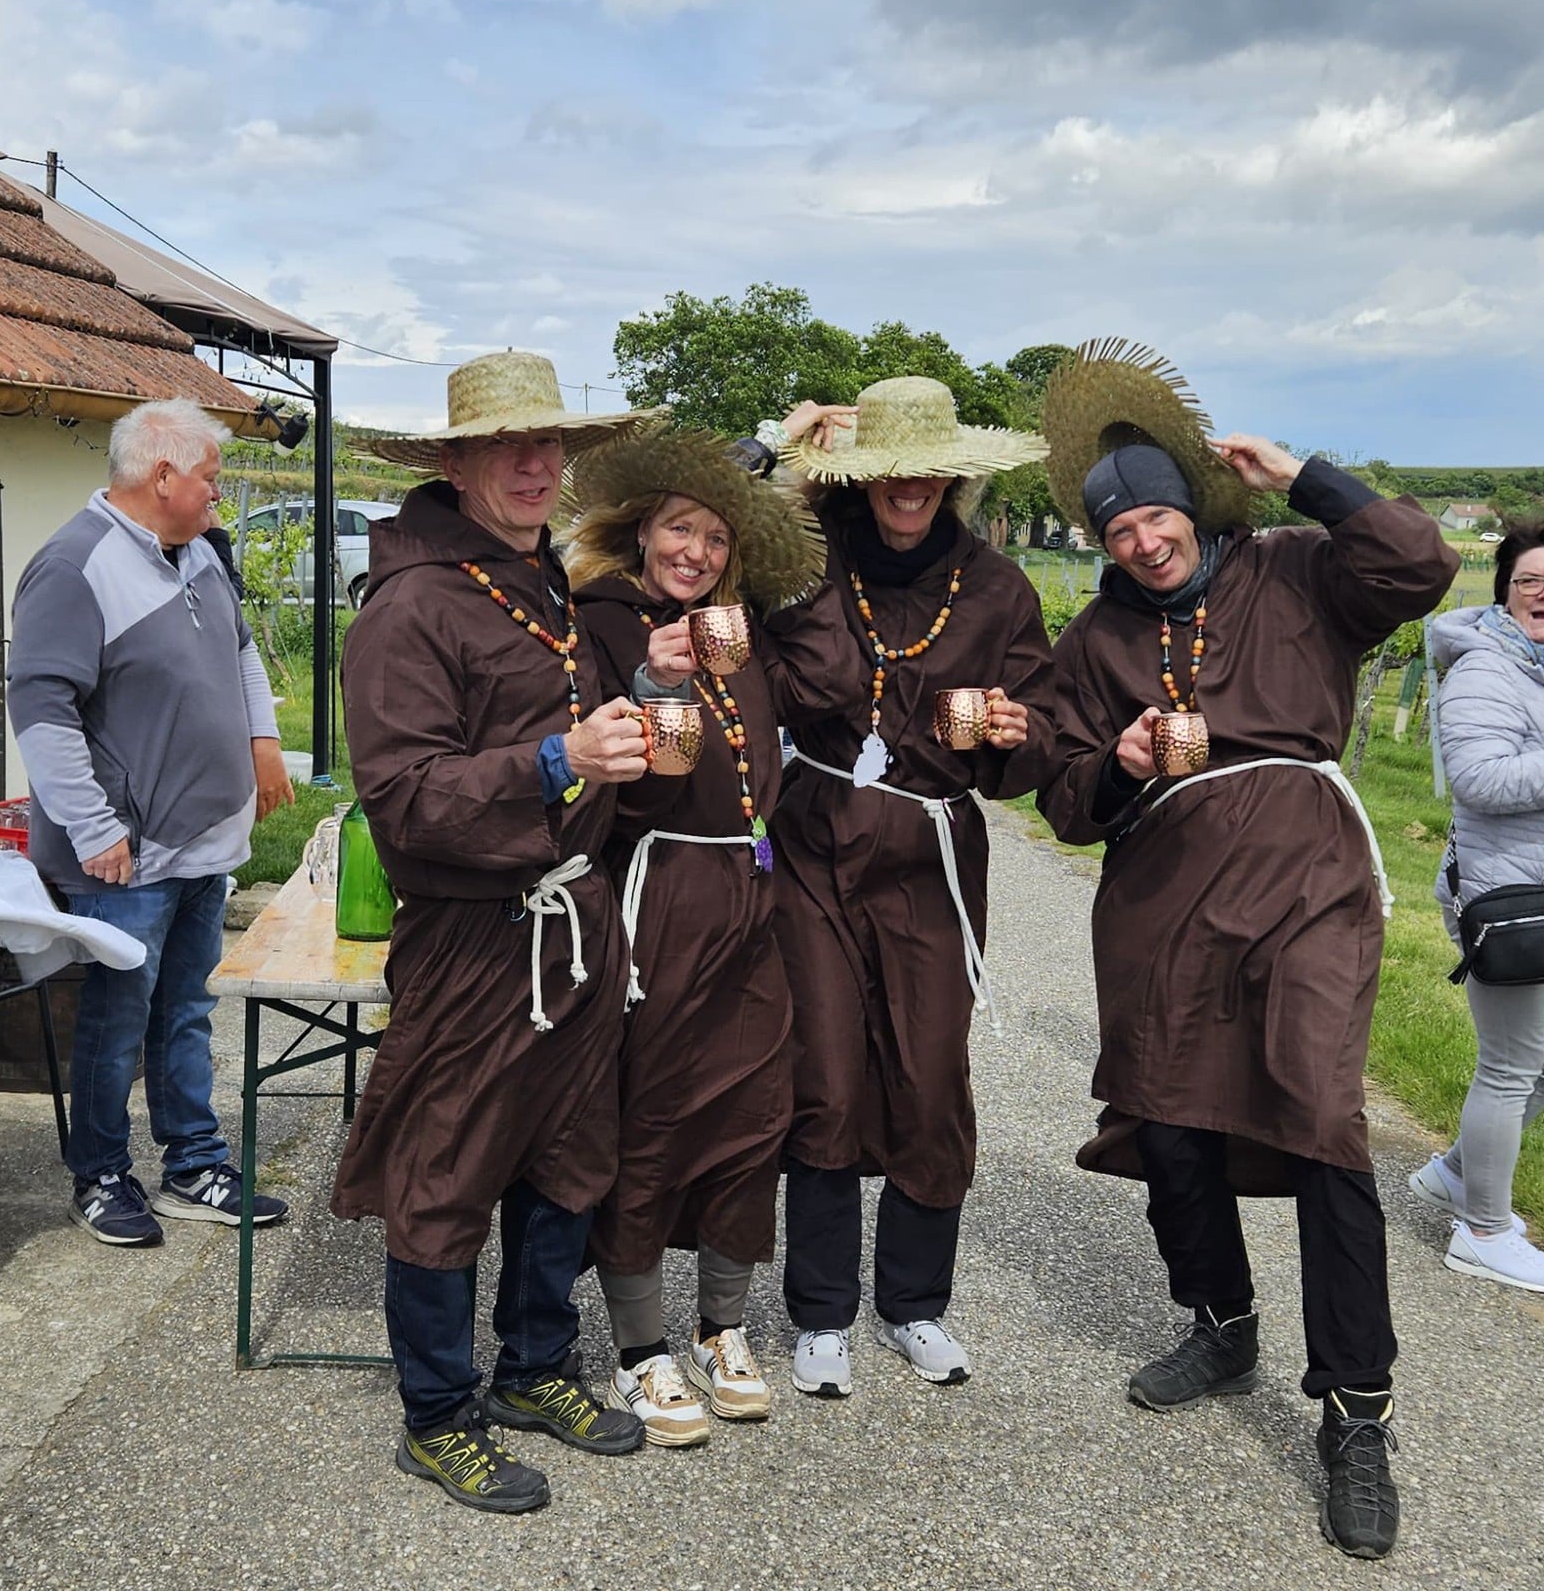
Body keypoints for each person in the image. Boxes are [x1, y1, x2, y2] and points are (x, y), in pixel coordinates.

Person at [1035, 340, 1460, 1560]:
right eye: (1117, 530)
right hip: (1161, 902)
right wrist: (1113, 764)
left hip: (1306, 882)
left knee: (1323, 1123)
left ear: (1193, 506)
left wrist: (1302, 477)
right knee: (1168, 1118)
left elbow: (1421, 564)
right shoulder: (1096, 638)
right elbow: (1057, 794)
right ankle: (1221, 1321)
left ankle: (1357, 1413)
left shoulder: (1296, 570)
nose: (1141, 542)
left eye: (1155, 516)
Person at [331, 351, 655, 1516]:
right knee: (446, 1173)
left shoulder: (541, 577)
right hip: (473, 941)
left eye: (548, 443)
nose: (534, 463)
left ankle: (532, 1368)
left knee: (567, 1160)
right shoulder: (409, 606)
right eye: (506, 445)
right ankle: (435, 1415)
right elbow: (403, 797)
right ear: (455, 462)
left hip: (574, 926)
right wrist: (558, 759)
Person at [565, 414, 858, 1446]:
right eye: (679, 529)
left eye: (718, 537)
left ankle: (722, 1326)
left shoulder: (739, 628)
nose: (695, 551)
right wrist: (650, 686)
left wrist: (795, 548)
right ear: (641, 532)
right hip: (660, 897)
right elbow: (616, 787)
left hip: (750, 892)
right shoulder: (602, 620)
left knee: (754, 1114)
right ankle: (641, 1346)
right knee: (653, 1116)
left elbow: (836, 684)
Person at [769, 375, 1055, 1397]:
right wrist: (781, 452)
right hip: (814, 840)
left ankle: (915, 1303)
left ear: (954, 478)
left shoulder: (998, 589)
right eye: (891, 468)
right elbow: (694, 543)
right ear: (861, 476)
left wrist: (1019, 734)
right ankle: (820, 1313)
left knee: (930, 1077)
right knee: (826, 1074)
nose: (909, 485)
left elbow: (1039, 737)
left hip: (932, 859)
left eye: (928, 469)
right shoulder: (804, 560)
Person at [6, 397, 295, 1247]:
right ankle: (98, 1175)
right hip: (126, 852)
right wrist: (93, 827)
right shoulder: (74, 565)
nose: (219, 492)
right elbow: (42, 709)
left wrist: (264, 741)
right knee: (116, 1020)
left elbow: (240, 651)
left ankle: (193, 1163)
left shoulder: (198, 550)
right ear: (162, 475)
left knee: (187, 1012)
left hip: (202, 843)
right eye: (210, 476)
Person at [1410, 523, 1544, 1292]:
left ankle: (1453, 1175)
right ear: (1505, 593)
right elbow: (1479, 778)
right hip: (1510, 898)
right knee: (1510, 1067)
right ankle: (1482, 1231)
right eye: (1529, 580)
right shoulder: (1486, 667)